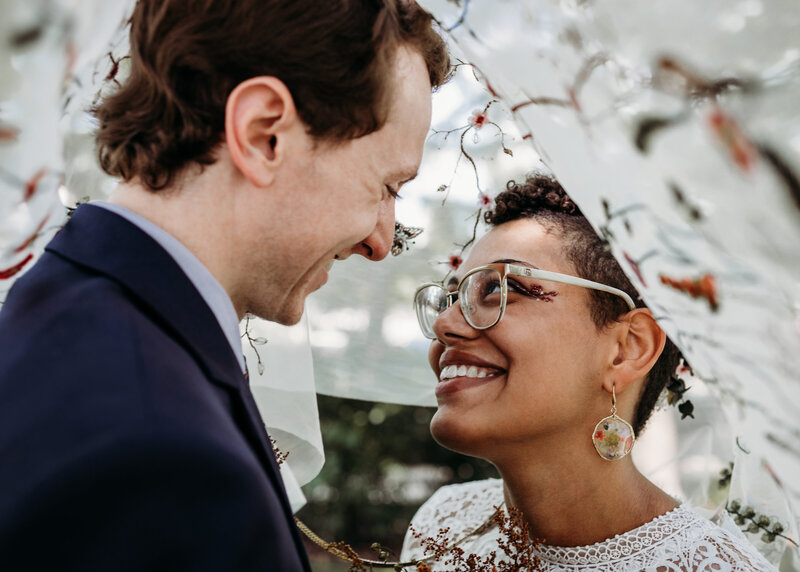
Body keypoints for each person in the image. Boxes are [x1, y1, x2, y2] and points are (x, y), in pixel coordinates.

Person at [0, 1, 449, 570]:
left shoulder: (82, 318)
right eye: (387, 185)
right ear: (263, 134)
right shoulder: (156, 452)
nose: (380, 242)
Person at [401, 175, 777, 571]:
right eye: (450, 298)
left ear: (627, 349)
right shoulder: (443, 524)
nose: (444, 324)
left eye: (500, 289)